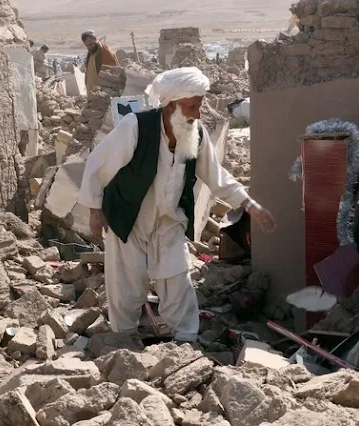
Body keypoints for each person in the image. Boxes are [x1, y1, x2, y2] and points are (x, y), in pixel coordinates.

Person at [77, 67, 276, 343]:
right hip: (129, 219)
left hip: (169, 222)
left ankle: (185, 341)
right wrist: (95, 209)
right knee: (127, 285)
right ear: (172, 106)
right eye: (192, 106)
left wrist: (249, 204)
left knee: (178, 282)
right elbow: (98, 164)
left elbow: (216, 176)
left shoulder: (197, 135)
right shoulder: (136, 127)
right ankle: (123, 340)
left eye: (199, 106)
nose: (197, 114)